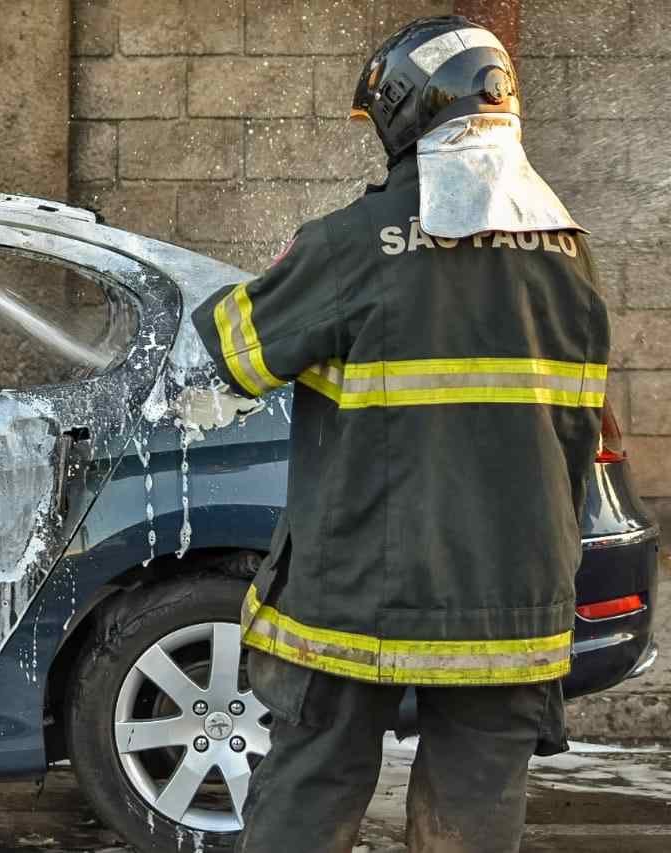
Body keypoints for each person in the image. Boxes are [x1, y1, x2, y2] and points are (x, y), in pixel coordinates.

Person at [190, 16, 609, 853]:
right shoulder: (571, 255)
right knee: (474, 808)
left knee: (314, 785)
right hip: (514, 595)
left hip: (360, 591)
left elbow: (230, 354)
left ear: (409, 115)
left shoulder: (351, 244)